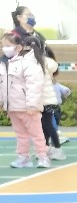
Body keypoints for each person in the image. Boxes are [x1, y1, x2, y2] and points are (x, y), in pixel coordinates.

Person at [2, 31, 49, 169]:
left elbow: (34, 85)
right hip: (13, 107)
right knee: (21, 135)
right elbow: (2, 85)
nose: (4, 48)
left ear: (18, 47)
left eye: (7, 45)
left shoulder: (28, 63)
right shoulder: (5, 64)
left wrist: (32, 105)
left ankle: (43, 156)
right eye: (2, 45)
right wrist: (2, 102)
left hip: (27, 108)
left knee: (36, 134)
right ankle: (23, 157)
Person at [40, 46, 64, 160]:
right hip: (42, 101)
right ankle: (46, 149)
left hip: (47, 101)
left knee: (49, 126)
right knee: (44, 128)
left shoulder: (45, 63)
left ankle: (57, 149)